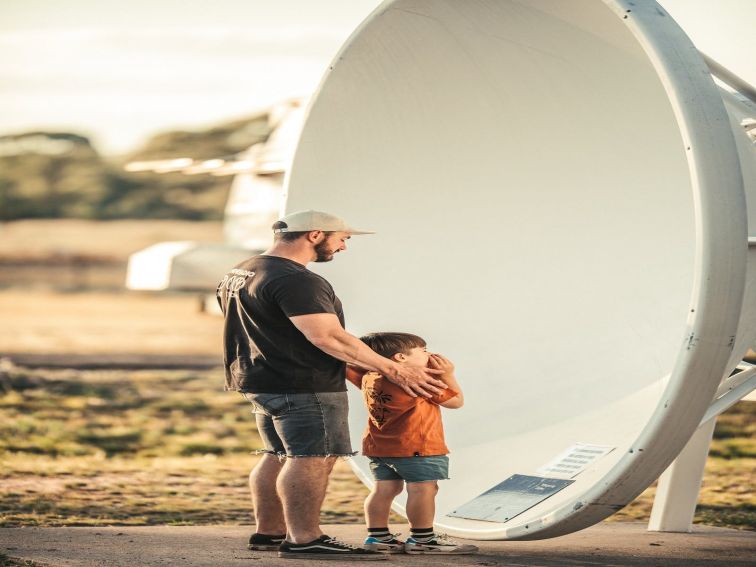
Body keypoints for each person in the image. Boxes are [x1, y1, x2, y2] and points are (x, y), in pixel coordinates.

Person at [216, 210, 447, 561]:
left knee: (277, 454)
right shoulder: (298, 280)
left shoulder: (243, 270)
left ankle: (270, 533)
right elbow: (327, 336)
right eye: (342, 238)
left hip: (259, 379)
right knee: (311, 457)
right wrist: (393, 369)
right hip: (303, 383)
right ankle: (305, 539)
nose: (342, 247)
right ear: (315, 234)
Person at [347, 332, 478, 555]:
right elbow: (456, 401)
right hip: (417, 446)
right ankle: (422, 539)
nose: (428, 354)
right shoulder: (415, 379)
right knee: (423, 490)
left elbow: (349, 366)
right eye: (423, 350)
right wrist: (448, 374)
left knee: (384, 489)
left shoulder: (370, 376)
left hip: (379, 447)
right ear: (400, 358)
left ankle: (378, 537)